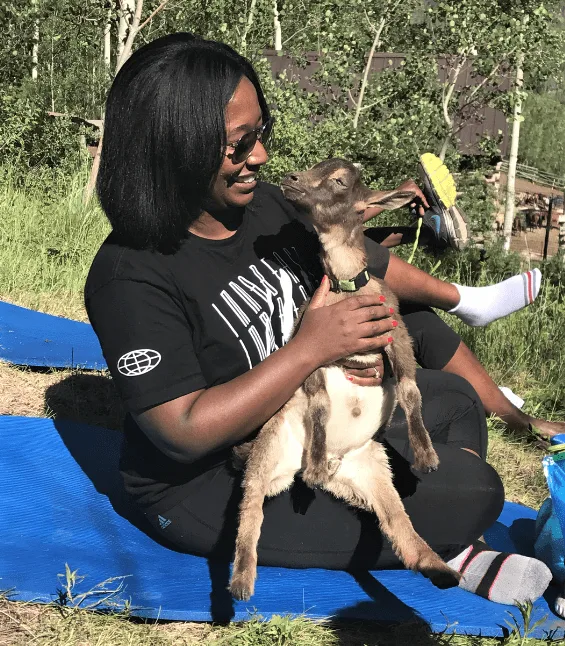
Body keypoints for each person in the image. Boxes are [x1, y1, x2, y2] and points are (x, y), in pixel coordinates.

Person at [85, 33, 553, 605]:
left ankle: (441, 524)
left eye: (262, 134)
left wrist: (367, 303)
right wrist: (312, 348)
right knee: (479, 489)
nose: (258, 155)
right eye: (239, 144)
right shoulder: (130, 276)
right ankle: (452, 537)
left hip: (314, 411)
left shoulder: (258, 207)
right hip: (217, 482)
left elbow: (350, 244)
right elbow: (183, 432)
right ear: (176, 147)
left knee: (454, 399)